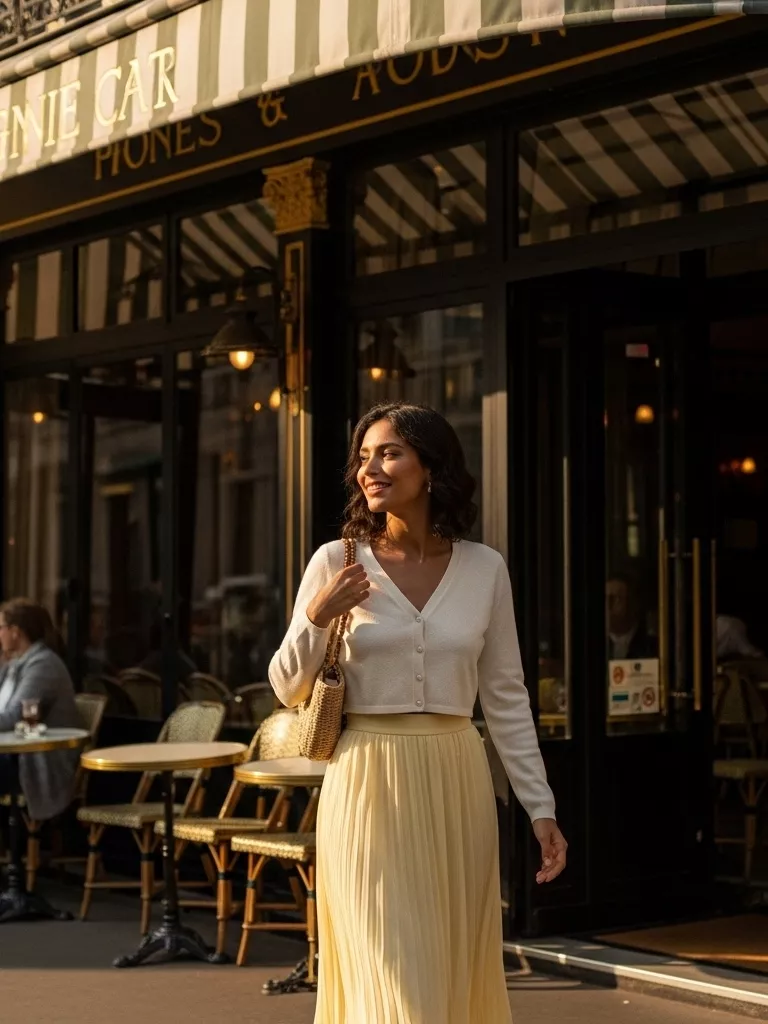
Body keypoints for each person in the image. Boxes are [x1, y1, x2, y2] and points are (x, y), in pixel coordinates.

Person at [270, 402, 566, 1024]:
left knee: (450, 960)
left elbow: (507, 696)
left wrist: (540, 807)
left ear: (431, 467)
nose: (368, 469)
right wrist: (318, 616)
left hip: (457, 778)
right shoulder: (335, 560)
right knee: (390, 961)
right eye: (363, 457)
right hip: (368, 779)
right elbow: (285, 687)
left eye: (388, 453)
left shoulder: (485, 568)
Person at [0, 598, 81, 822]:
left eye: (0, 628)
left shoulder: (43, 665)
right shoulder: (13, 665)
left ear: (15, 632)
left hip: (37, 761)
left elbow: (14, 717)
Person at [606, 572, 657, 661]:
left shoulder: (652, 647)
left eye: (615, 598)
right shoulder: (591, 646)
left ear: (633, 603)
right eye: (605, 598)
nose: (608, 605)